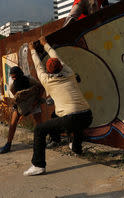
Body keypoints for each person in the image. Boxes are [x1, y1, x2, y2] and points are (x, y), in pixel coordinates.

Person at [23, 36, 92, 176]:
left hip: (71, 118)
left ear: (49, 71)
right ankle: (76, 148)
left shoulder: (47, 80)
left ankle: (38, 165)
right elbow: (56, 56)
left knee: (40, 130)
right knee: (71, 120)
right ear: (61, 67)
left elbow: (37, 65)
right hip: (87, 116)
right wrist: (45, 44)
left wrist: (32, 50)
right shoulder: (69, 73)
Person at [0, 66, 44, 154]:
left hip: (33, 100)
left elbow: (41, 88)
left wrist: (36, 100)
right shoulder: (12, 84)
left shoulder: (29, 79)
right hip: (21, 103)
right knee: (13, 124)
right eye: (12, 77)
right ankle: (8, 144)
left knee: (39, 123)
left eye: (15, 76)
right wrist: (22, 109)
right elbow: (16, 97)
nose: (14, 78)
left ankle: (42, 141)